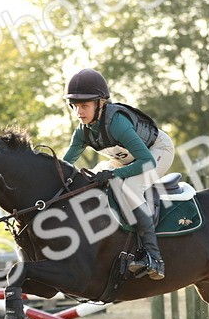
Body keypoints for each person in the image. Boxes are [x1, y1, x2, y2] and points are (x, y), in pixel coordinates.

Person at [62, 68, 175, 280]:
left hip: (157, 151)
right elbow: (65, 164)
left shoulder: (117, 124)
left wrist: (115, 175)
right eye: (75, 106)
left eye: (84, 105)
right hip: (128, 158)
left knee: (130, 188)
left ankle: (154, 258)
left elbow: (147, 162)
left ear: (101, 103)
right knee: (93, 176)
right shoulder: (82, 131)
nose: (79, 112)